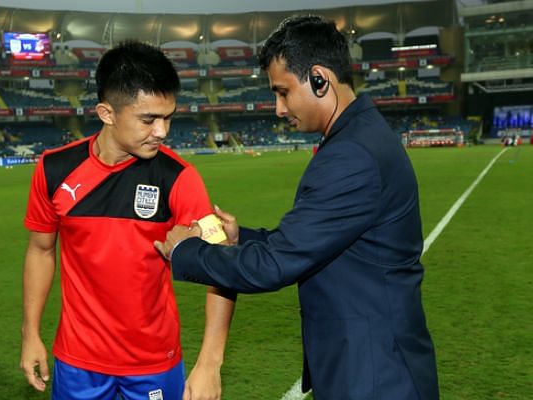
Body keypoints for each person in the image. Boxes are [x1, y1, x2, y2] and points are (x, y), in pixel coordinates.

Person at [155, 15, 439, 399]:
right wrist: (242, 239)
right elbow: (315, 241)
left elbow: (274, 266)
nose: (278, 108)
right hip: (370, 364)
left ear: (319, 79)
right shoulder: (358, 136)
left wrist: (188, 251)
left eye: (283, 92)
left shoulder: (351, 154)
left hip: (373, 374)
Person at [20, 40, 235, 400]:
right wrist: (30, 333)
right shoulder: (55, 169)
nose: (162, 131)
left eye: (168, 117)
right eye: (148, 119)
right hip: (77, 363)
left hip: (154, 362)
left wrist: (210, 364)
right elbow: (40, 251)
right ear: (106, 113)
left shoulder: (179, 178)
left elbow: (223, 265)